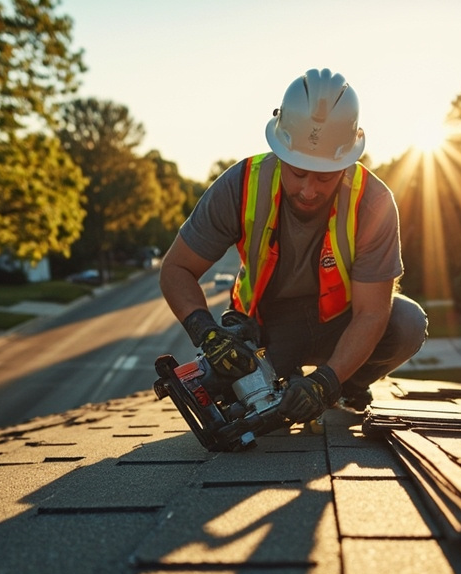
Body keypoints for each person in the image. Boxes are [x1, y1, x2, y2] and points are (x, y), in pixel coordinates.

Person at [159, 68, 427, 424]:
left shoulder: (372, 202)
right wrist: (207, 333)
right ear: (281, 151)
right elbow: (176, 269)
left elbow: (372, 314)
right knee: (233, 393)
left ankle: (346, 385)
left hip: (340, 323)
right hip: (267, 327)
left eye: (325, 176)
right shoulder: (241, 185)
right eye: (298, 171)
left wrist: (325, 382)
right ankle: (281, 377)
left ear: (347, 161)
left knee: (407, 323)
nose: (309, 190)